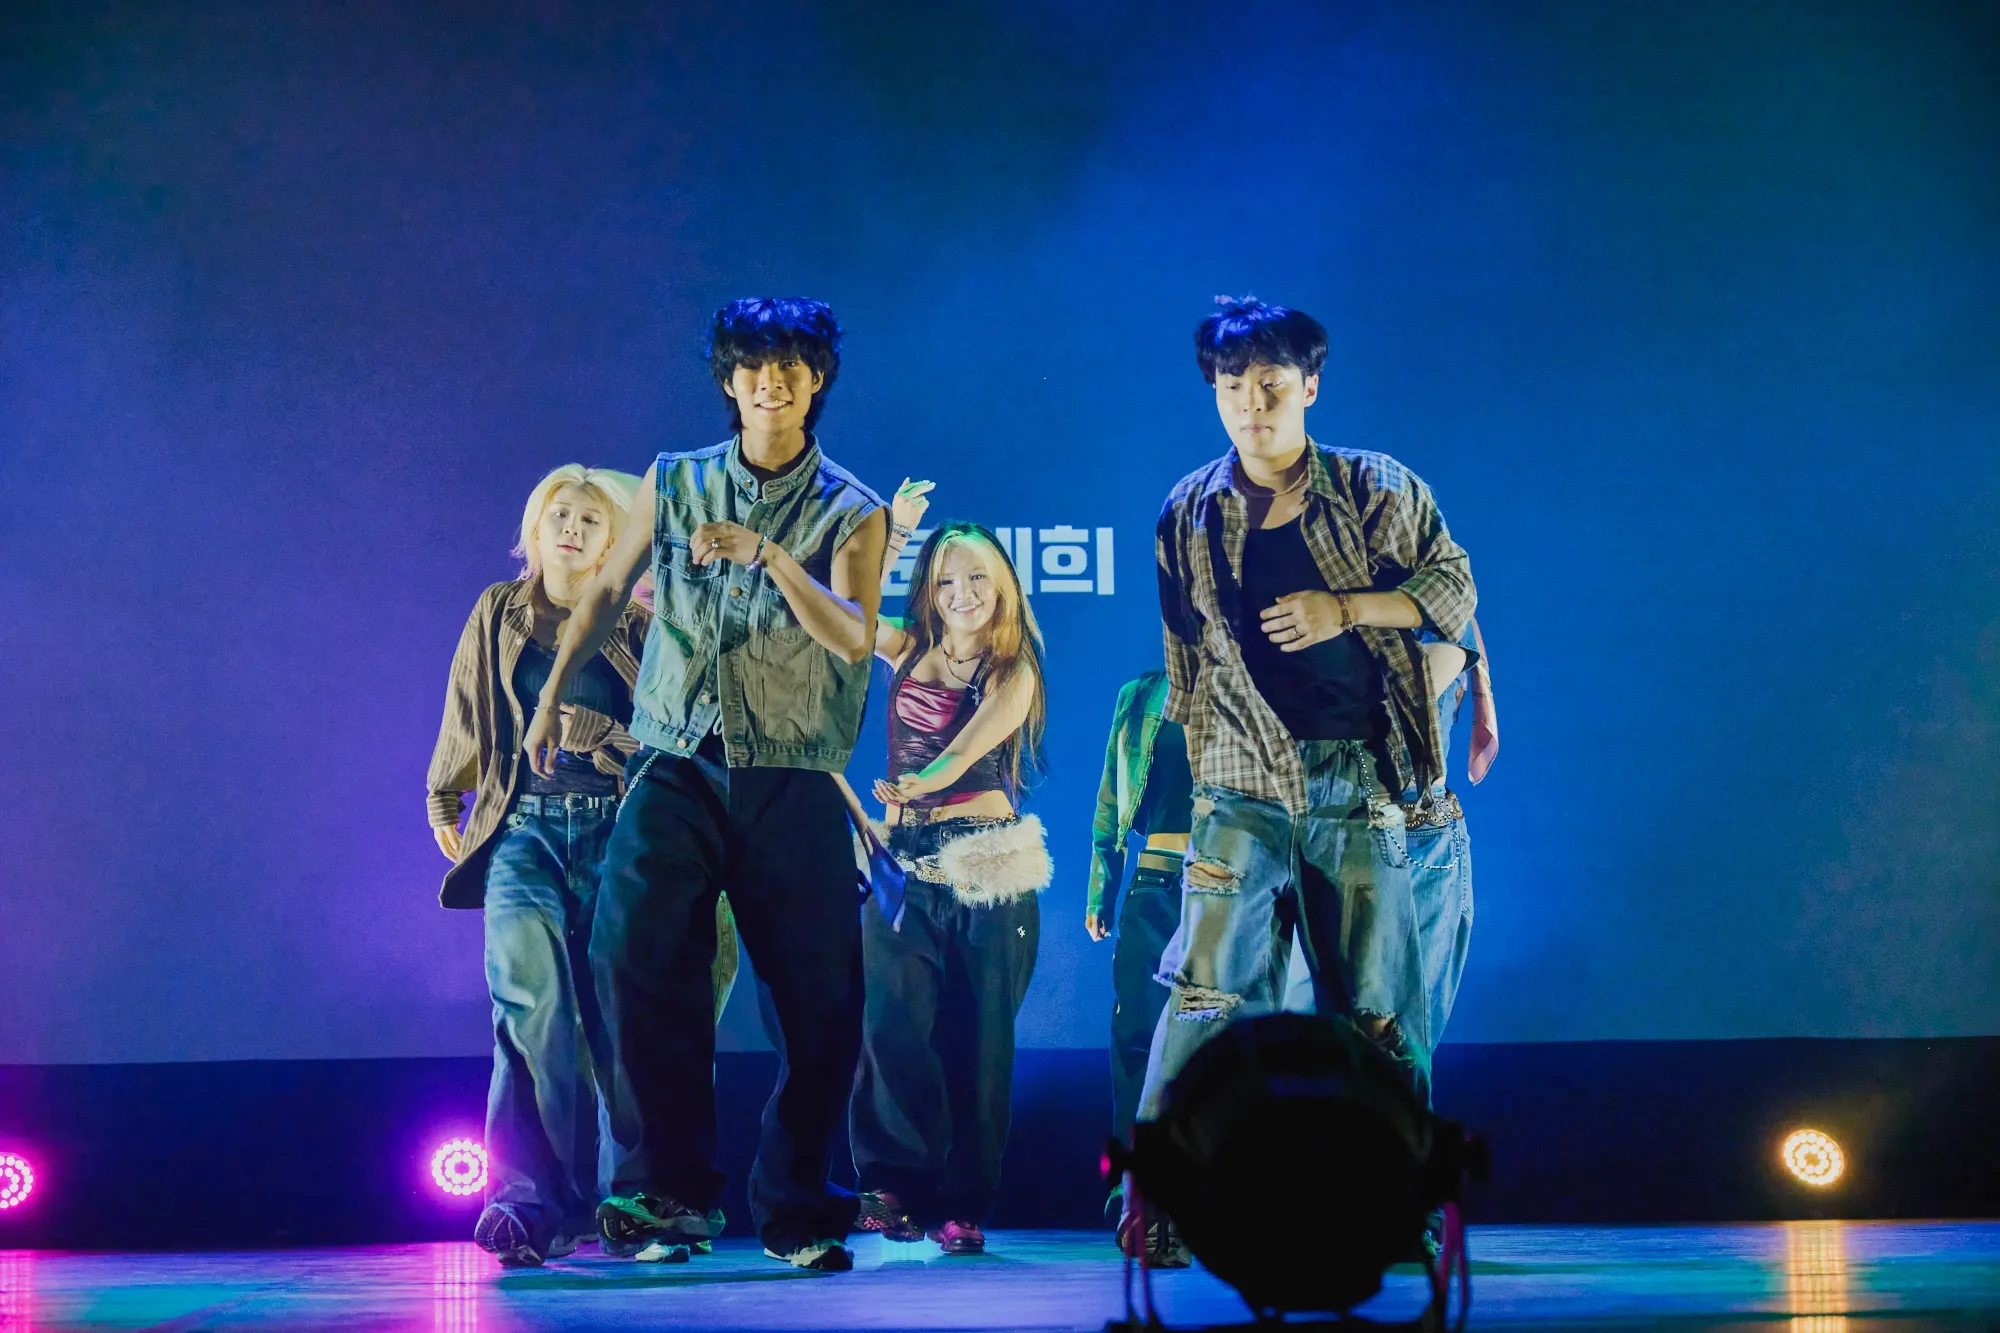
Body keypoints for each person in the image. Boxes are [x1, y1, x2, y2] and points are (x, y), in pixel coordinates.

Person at [523, 298, 887, 1272]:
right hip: (676, 756)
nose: (771, 383)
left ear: (816, 380)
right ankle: (664, 1192)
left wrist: (769, 556)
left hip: (791, 770)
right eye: (752, 367)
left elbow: (855, 634)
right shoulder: (676, 478)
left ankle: (800, 1207)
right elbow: (607, 590)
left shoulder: (852, 506)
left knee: (820, 1000)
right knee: (633, 956)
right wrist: (548, 698)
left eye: (790, 366)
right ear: (728, 380)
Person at [1130, 296, 1477, 1264]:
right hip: (1239, 786)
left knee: (1376, 1008)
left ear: (1309, 386)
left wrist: (1346, 607)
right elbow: (1185, 657)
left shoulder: (1373, 486)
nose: (1252, 404)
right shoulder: (1188, 507)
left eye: (1271, 384)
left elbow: (1451, 590)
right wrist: (1203, 777)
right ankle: (1161, 1198)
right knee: (1204, 998)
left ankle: (1396, 1197)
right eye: (1232, 386)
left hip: (1354, 779)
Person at [426, 465, 741, 1269]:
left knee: (622, 1020)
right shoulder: (498, 611)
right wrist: (444, 795)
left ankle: (633, 1202)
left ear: (612, 543)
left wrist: (604, 735)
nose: (570, 527)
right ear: (532, 530)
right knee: (528, 1010)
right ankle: (526, 1206)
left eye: (590, 519)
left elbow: (675, 739)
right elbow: (468, 707)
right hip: (522, 832)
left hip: (619, 830)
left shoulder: (634, 624)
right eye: (558, 514)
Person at [849, 490, 1052, 1257]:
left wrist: (920, 783)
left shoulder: (1013, 668)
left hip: (985, 860)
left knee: (978, 1035)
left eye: (976, 579)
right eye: (945, 581)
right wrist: (897, 532)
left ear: (1002, 587)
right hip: (904, 860)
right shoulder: (906, 649)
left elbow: (967, 749)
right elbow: (850, 613)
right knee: (891, 1025)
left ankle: (963, 1203)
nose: (961, 593)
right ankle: (893, 1187)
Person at [1082, 669, 1191, 1211]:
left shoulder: (1253, 681)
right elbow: (1111, 797)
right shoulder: (1143, 694)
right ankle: (1136, 1183)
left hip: (1235, 886)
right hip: (1156, 882)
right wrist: (1101, 889)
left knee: (1221, 1037)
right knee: (1138, 1033)